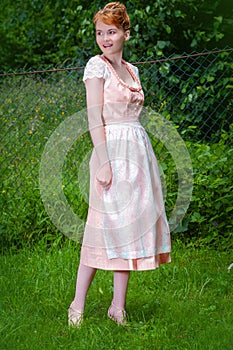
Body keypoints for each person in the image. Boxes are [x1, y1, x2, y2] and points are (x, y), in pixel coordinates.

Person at [68, 2, 171, 327]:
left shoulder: (132, 70)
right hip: (110, 152)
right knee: (100, 231)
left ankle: (117, 307)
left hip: (137, 155)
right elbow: (93, 117)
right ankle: (78, 304)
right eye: (100, 32)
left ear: (125, 32)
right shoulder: (96, 67)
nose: (105, 38)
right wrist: (103, 162)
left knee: (127, 231)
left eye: (111, 31)